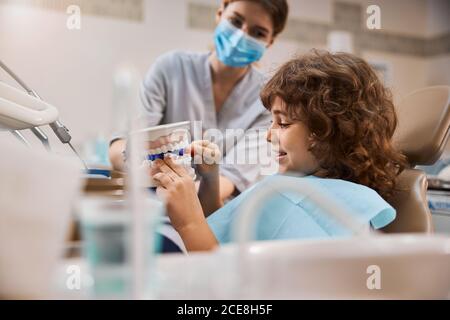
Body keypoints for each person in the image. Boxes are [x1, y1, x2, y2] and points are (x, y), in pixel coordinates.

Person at [150, 50, 408, 252]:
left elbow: (232, 284)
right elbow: (227, 231)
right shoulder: (295, 187)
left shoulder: (328, 210)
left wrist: (188, 222)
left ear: (327, 131)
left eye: (283, 123)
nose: (269, 134)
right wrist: (210, 178)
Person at [109, 0, 289, 202]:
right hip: (151, 207)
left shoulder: (268, 99)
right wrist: (136, 162)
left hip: (212, 213)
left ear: (270, 41)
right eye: (236, 21)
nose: (241, 36)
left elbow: (228, 180)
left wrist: (175, 195)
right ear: (220, 13)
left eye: (258, 33)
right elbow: (120, 148)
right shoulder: (171, 68)